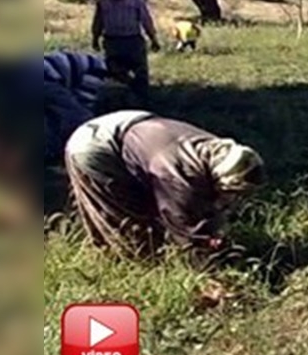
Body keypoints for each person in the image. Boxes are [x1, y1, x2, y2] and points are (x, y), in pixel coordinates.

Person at [64, 110, 265, 259]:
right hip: (95, 146)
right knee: (128, 223)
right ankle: (129, 266)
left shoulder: (217, 151)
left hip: (131, 126)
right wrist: (207, 253)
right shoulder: (180, 177)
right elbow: (185, 227)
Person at [90, 0, 160, 107]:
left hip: (133, 40)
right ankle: (124, 98)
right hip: (112, 41)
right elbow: (98, 21)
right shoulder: (103, 3)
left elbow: (146, 20)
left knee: (140, 72)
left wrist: (153, 39)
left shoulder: (135, 1)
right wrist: (95, 38)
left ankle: (143, 101)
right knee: (115, 71)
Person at [43, 51, 111, 164]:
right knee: (80, 120)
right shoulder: (98, 71)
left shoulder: (87, 61)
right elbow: (84, 102)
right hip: (43, 79)